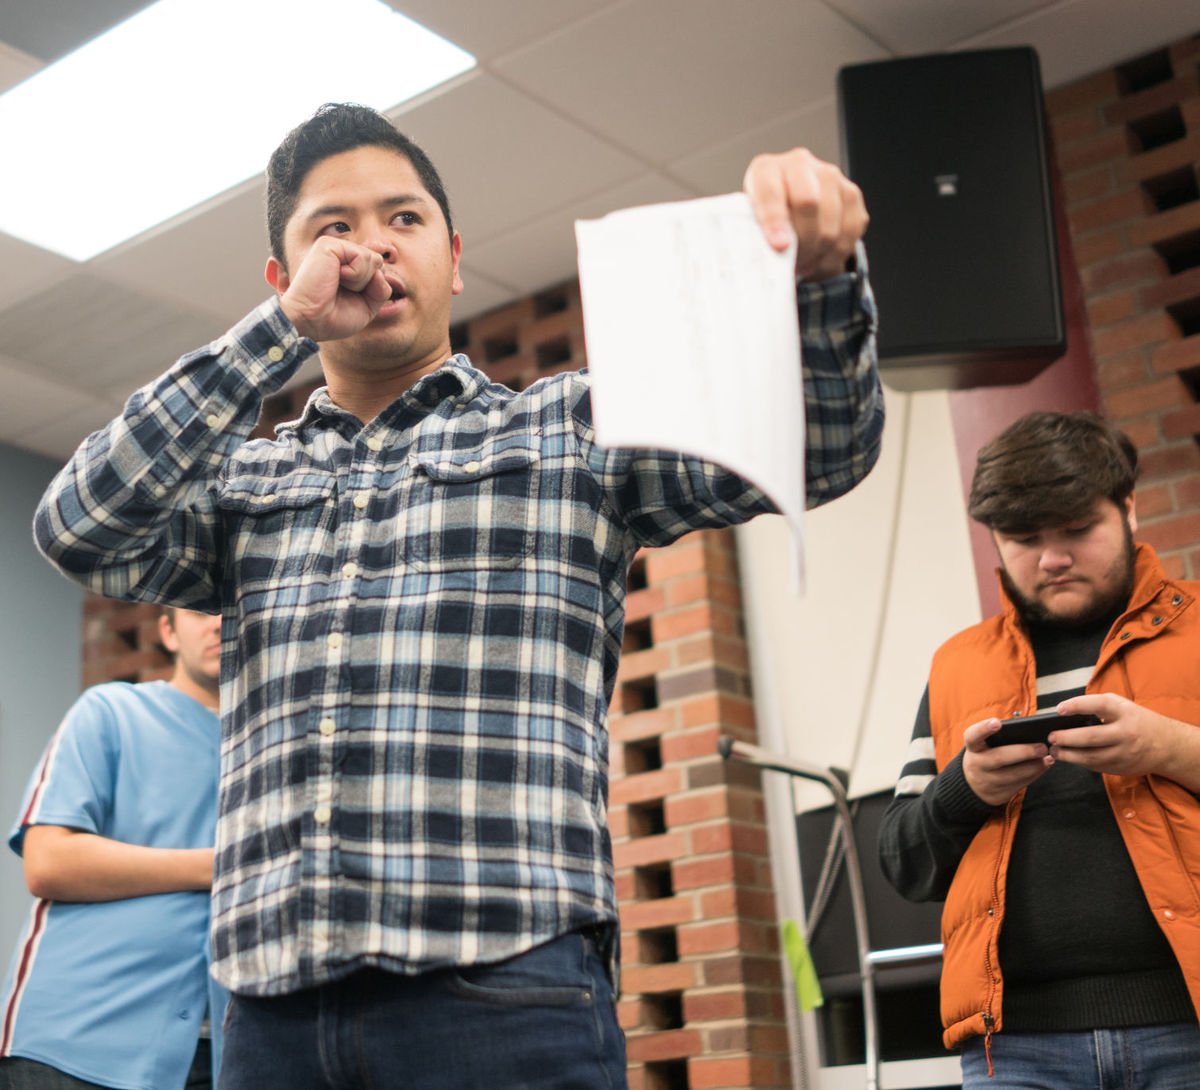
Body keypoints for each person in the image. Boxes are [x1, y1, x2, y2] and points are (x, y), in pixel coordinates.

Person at [32, 102, 883, 1089]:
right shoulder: (244, 484)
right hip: (268, 1016)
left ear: (455, 254)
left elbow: (824, 448)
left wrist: (819, 279)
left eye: (403, 219)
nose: (370, 250)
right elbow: (78, 527)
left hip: (502, 990)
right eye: (332, 229)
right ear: (285, 278)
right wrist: (274, 339)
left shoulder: (574, 427)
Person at [878, 411, 1200, 1089]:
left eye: (1079, 530)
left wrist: (1169, 747)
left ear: (1129, 510)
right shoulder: (955, 666)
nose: (1052, 559)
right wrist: (967, 787)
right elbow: (904, 863)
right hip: (1016, 1045)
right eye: (1024, 539)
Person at [0, 608, 224, 1090]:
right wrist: (219, 865)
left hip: (224, 1057)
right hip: (75, 1043)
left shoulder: (280, 747)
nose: (220, 622)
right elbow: (48, 862)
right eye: (202, 609)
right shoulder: (111, 711)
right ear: (167, 630)